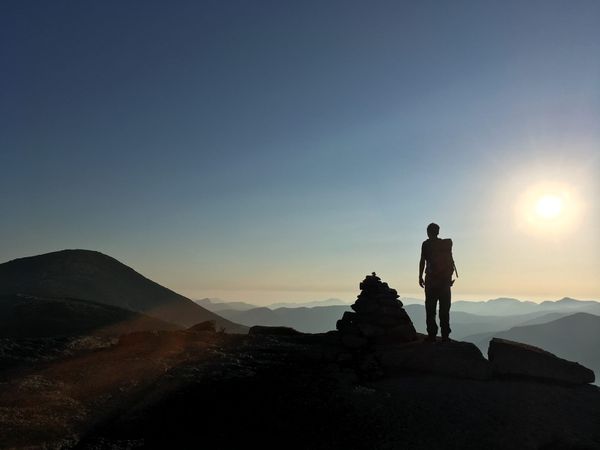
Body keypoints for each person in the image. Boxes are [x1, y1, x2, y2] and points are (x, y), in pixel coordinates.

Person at [418, 223, 456, 343]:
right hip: (444, 282)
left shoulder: (426, 244)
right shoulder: (445, 245)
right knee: (444, 310)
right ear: (438, 232)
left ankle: (432, 335)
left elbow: (422, 261)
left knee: (430, 309)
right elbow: (450, 261)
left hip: (431, 282)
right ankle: (445, 336)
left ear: (429, 232)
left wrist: (420, 276)